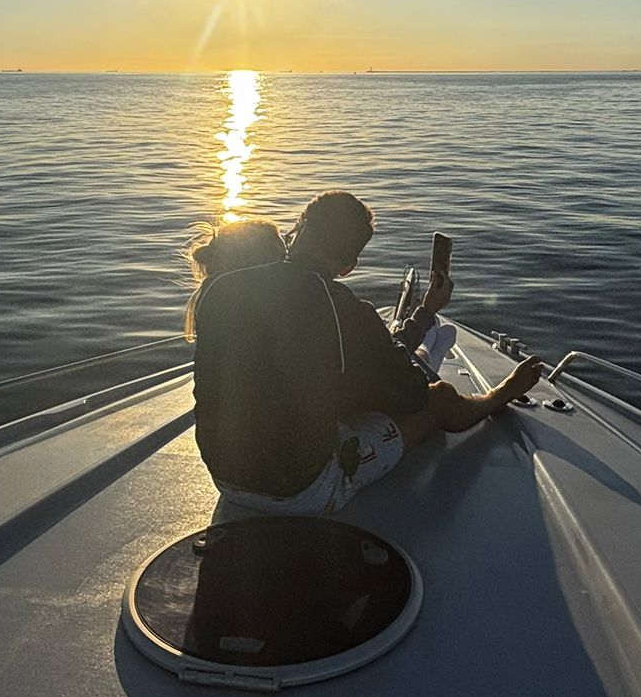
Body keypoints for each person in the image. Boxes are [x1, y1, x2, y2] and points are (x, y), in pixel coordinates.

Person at [187, 191, 542, 515]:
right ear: (349, 265)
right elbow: (414, 394)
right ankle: (499, 396)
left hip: (225, 477)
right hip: (302, 490)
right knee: (441, 399)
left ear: (296, 230)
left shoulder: (220, 287)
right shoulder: (343, 308)